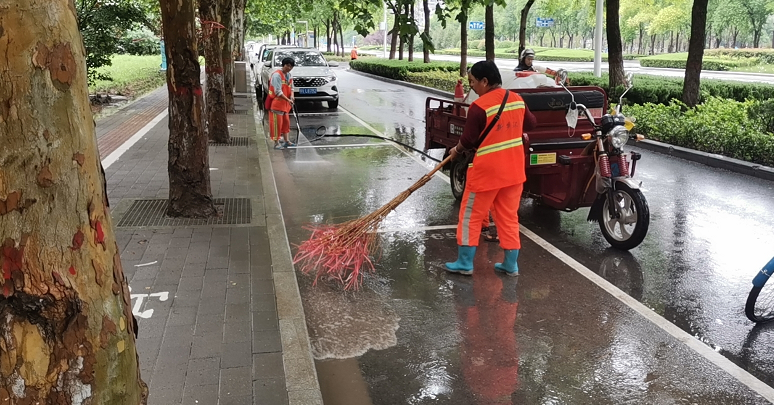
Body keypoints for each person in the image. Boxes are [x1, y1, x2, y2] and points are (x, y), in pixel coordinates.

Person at [446, 60, 536, 277]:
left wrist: (455, 152)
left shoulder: (480, 107)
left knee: (471, 216)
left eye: (473, 82)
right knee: (508, 217)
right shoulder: (516, 99)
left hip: (487, 173)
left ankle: (465, 263)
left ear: (485, 81)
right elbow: (531, 124)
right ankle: (510, 264)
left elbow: (467, 141)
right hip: (513, 172)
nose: (472, 88)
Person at [268, 57, 296, 149]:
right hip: (277, 105)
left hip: (285, 106)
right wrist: (288, 100)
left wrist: (292, 96)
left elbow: (291, 88)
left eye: (291, 66)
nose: (289, 68)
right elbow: (278, 92)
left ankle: (286, 141)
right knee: (276, 124)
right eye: (287, 66)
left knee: (285, 123)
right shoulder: (277, 75)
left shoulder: (289, 75)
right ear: (283, 65)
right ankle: (276, 143)